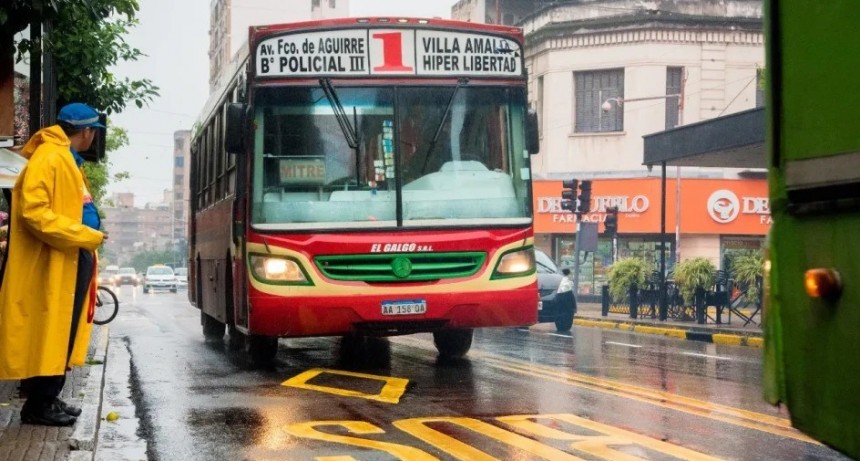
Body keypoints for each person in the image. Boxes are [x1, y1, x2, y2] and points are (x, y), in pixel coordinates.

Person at [0, 103, 107, 426]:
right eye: (93, 133)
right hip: (58, 257)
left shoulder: (62, 158)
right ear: (87, 132)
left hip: (70, 255)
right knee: (54, 330)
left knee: (61, 331)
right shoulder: (51, 157)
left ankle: (49, 396)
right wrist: (83, 234)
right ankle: (39, 403)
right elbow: (34, 212)